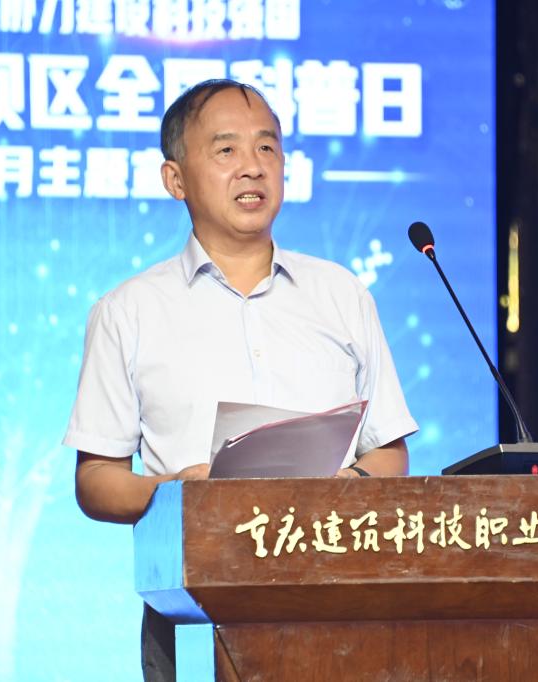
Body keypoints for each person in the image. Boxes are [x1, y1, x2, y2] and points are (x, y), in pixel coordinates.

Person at [63, 79, 418, 681]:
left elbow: (388, 451)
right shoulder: (128, 311)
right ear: (175, 179)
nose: (253, 167)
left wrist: (348, 486)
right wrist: (176, 493)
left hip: (339, 597)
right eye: (226, 149)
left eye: (267, 148)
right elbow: (97, 481)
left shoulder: (341, 294)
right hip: (197, 604)